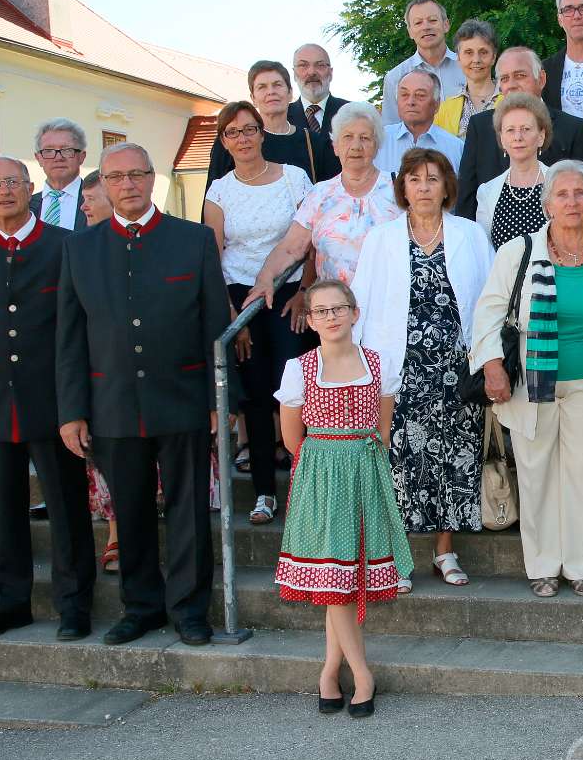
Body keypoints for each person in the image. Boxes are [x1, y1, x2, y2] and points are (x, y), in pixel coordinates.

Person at [57, 142, 229, 647]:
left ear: (153, 178)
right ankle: (142, 608)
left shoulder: (192, 239)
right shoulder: (80, 247)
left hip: (183, 398)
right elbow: (69, 337)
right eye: (116, 177)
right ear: (104, 186)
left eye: (136, 174)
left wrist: (223, 401)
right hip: (110, 404)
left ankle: (190, 609)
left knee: (189, 512)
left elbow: (214, 324)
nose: (127, 185)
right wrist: (72, 411)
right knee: (128, 511)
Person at [0, 156, 95, 640]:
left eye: (13, 182)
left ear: (30, 188)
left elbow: (77, 326)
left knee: (66, 505)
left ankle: (74, 604)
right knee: (2, 507)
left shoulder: (65, 246)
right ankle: (9, 601)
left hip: (51, 399)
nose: (3, 191)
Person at [471, 160, 583, 597]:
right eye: (562, 194)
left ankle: (580, 567)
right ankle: (542, 566)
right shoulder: (518, 251)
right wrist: (492, 366)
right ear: (547, 203)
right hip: (531, 386)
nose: (572, 201)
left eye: (580, 194)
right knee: (537, 475)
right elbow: (488, 313)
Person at [353, 148, 493, 590]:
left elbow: (489, 301)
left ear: (446, 186)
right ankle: (395, 557)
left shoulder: (470, 234)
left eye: (433, 179)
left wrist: (489, 359)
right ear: (404, 188)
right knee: (399, 464)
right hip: (399, 369)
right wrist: (359, 368)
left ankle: (445, 551)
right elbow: (360, 301)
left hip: (457, 370)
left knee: (454, 459)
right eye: (415, 179)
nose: (424, 187)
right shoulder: (381, 238)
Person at [274, 279, 410, 718]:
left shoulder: (378, 363)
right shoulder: (300, 369)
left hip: (365, 473)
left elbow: (383, 428)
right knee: (336, 583)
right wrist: (325, 466)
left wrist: (362, 465)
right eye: (321, 311)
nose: (331, 317)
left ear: (354, 313)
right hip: (320, 478)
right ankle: (362, 672)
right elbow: (293, 438)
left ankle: (329, 671)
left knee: (346, 580)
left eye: (339, 308)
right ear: (310, 321)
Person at [203, 100, 313, 524]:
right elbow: (213, 256)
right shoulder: (219, 191)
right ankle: (265, 492)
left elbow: (312, 237)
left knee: (294, 390)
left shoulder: (294, 179)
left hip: (289, 294)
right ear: (224, 141)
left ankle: (304, 488)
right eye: (233, 133)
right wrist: (232, 315)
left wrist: (305, 289)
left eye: (249, 129)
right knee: (254, 393)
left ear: (261, 133)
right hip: (240, 298)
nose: (243, 139)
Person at [247, 101, 402, 305]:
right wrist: (265, 277)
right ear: (335, 146)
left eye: (365, 138)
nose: (356, 146)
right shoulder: (320, 194)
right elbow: (291, 247)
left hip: (388, 307)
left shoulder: (399, 186)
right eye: (347, 137)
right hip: (334, 312)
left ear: (377, 145)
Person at [456, 48, 583, 220]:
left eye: (520, 75)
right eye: (505, 79)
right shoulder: (480, 126)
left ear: (541, 79)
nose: (512, 84)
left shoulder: (573, 128)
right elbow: (466, 200)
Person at [76, 170, 121, 573]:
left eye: (91, 198)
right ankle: (114, 530)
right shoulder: (79, 249)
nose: (84, 206)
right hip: (97, 374)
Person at [207, 60, 338, 188]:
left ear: (290, 93)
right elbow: (213, 198)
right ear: (253, 98)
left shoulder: (313, 142)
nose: (271, 92)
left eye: (277, 85)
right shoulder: (236, 140)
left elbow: (328, 196)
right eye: (262, 87)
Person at [473, 92, 552, 250]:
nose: (518, 137)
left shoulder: (558, 184)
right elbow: (485, 251)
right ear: (501, 138)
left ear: (541, 136)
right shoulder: (487, 192)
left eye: (526, 129)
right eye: (510, 130)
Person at [381, 0, 468, 126]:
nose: (426, 27)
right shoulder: (395, 78)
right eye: (418, 23)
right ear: (410, 32)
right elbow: (390, 129)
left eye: (432, 20)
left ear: (446, 25)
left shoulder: (468, 67)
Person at [377, 68, 465, 177]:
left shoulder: (456, 148)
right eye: (404, 94)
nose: (410, 102)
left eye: (420, 95)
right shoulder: (378, 141)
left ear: (437, 104)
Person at [434, 19, 500, 137]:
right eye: (469, 52)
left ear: (493, 57)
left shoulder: (513, 101)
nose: (476, 60)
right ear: (458, 58)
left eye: (483, 52)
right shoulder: (443, 111)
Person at [32, 118, 88, 231]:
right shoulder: (26, 205)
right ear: (38, 158)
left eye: (67, 150)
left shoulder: (100, 202)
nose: (58, 157)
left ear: (82, 157)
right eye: (49, 150)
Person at [289, 43, 351, 136]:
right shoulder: (281, 117)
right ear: (294, 74)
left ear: (330, 73)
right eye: (303, 65)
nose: (312, 72)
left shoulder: (352, 113)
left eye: (320, 65)